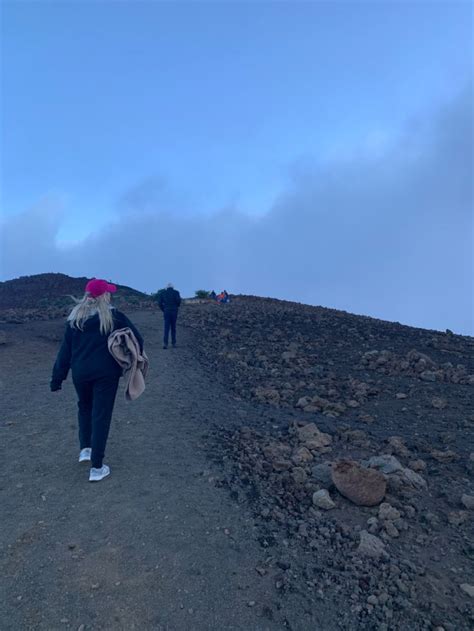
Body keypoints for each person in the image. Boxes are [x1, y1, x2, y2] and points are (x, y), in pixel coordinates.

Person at [50, 278, 144, 482]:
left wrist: (56, 380)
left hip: (80, 373)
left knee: (84, 407)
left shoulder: (75, 319)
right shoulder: (114, 317)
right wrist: (133, 360)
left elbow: (64, 353)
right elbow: (138, 339)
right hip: (106, 374)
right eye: (108, 292)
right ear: (104, 295)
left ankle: (85, 448)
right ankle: (97, 468)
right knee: (101, 415)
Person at [158, 282, 181, 349]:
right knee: (173, 327)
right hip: (174, 311)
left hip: (166, 311)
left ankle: (165, 344)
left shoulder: (163, 293)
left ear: (166, 287)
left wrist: (164, 309)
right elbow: (178, 301)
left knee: (166, 328)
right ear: (173, 287)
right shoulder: (176, 292)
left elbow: (159, 303)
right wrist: (176, 306)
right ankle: (173, 343)